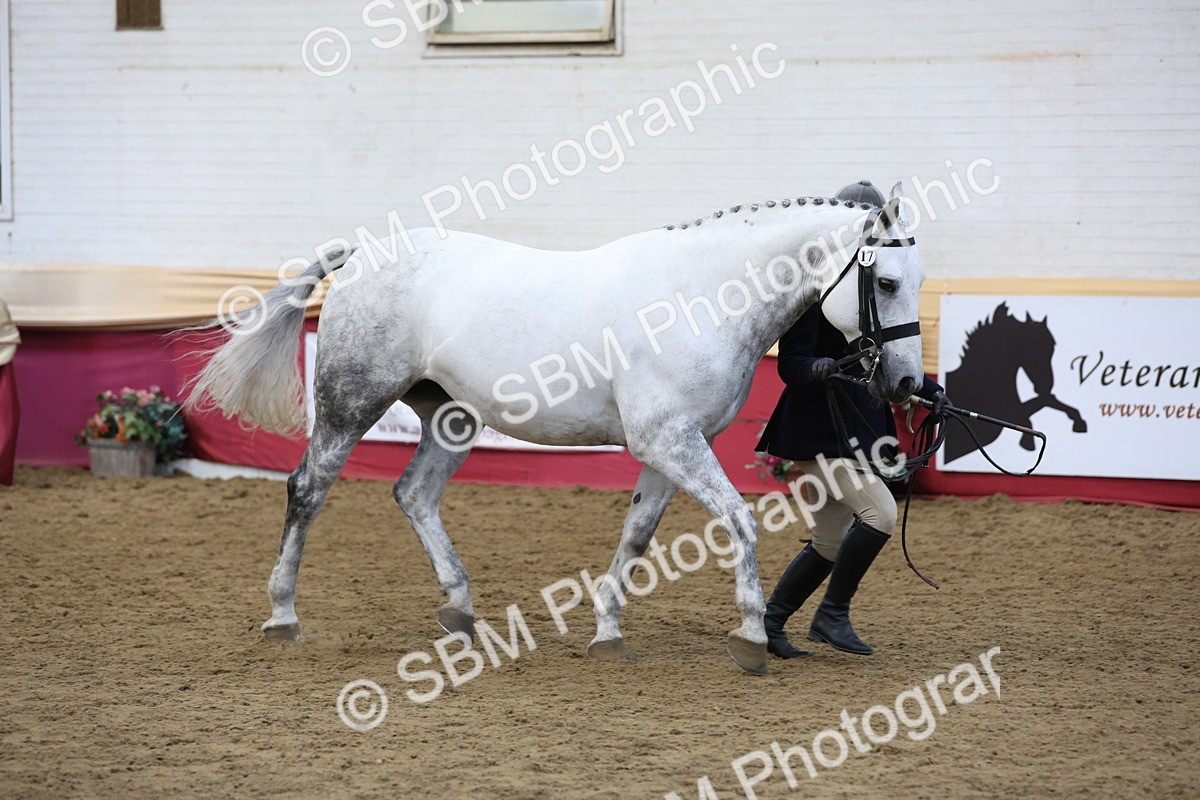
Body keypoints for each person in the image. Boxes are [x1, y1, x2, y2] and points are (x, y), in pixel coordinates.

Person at [755, 180, 948, 659]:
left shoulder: (878, 285)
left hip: (860, 429)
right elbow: (789, 364)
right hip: (817, 429)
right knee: (879, 514)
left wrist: (930, 390)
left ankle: (769, 624)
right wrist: (814, 367)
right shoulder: (817, 288)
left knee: (830, 538)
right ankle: (831, 615)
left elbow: (887, 352)